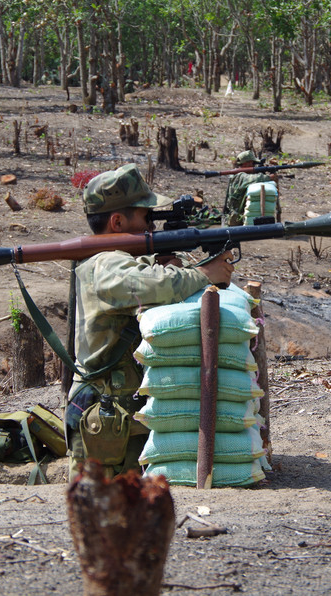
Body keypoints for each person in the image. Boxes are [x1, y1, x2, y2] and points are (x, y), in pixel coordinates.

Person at [66, 163, 234, 480]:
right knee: (102, 505)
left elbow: (150, 273)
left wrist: (174, 261)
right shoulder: (105, 264)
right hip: (105, 413)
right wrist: (201, 275)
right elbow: (152, 285)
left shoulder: (119, 258)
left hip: (118, 409)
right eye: (145, 217)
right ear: (117, 221)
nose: (151, 227)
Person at [223, 150, 279, 226]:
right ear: (247, 163)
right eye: (253, 163)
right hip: (234, 221)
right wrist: (269, 177)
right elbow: (252, 179)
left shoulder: (239, 174)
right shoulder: (238, 176)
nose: (254, 166)